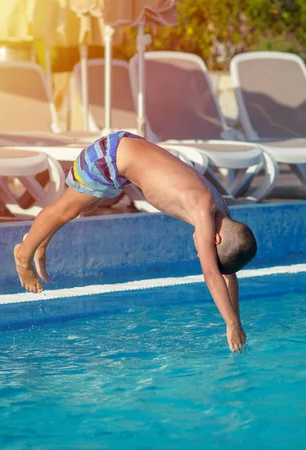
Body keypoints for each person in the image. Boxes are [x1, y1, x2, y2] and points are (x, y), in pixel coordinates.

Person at [14, 131, 257, 352]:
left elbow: (227, 273)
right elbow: (212, 274)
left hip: (125, 152)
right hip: (109, 157)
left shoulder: (223, 213)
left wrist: (237, 320)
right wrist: (231, 323)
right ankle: (23, 256)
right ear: (215, 239)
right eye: (205, 249)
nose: (199, 251)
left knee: (81, 207)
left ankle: (40, 242)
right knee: (64, 210)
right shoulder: (203, 212)